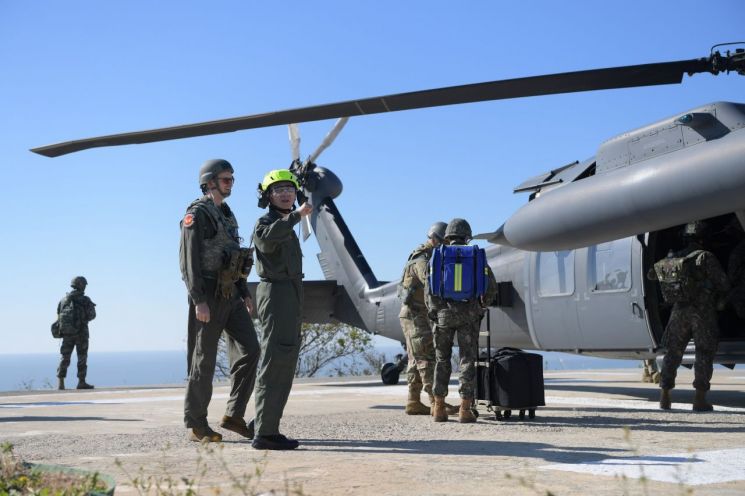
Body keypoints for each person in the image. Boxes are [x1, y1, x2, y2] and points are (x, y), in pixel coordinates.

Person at [180, 158, 260, 442]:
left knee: (251, 349)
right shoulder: (197, 213)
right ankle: (196, 424)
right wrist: (198, 298)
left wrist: (245, 292)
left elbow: (234, 256)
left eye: (232, 179)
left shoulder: (227, 214)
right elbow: (188, 261)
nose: (231, 184)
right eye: (226, 179)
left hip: (231, 295)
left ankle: (234, 415)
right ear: (210, 182)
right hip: (208, 296)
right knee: (204, 361)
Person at [251, 169, 312, 450]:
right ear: (268, 196)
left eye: (290, 188)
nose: (286, 193)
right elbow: (266, 240)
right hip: (276, 293)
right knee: (275, 361)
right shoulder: (267, 223)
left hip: (290, 293)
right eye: (278, 190)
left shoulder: (285, 222)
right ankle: (265, 432)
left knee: (284, 361)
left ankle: (264, 422)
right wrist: (297, 216)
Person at [649, 221, 730, 411]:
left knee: (673, 352)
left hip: (678, 312)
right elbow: (724, 284)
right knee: (703, 353)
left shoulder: (675, 257)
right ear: (704, 238)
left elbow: (652, 274)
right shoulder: (706, 257)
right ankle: (699, 399)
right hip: (702, 313)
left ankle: (665, 395)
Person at [425, 218, 497, 423]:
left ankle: (438, 408)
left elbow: (428, 289)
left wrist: (434, 312)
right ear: (467, 236)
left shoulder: (438, 255)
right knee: (467, 360)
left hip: (443, 316)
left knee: (442, 360)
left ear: (447, 237)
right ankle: (465, 409)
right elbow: (491, 286)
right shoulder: (475, 255)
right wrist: (481, 307)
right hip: (469, 315)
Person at [398, 222, 459, 416]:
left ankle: (413, 401)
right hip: (415, 315)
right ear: (435, 239)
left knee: (416, 360)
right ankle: (436, 402)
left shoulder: (431, 256)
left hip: (417, 314)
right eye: (445, 242)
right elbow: (431, 282)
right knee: (426, 357)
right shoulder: (422, 259)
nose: (447, 246)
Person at [56, 276, 96, 390]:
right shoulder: (85, 299)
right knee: (82, 357)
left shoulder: (63, 300)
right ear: (81, 285)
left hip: (67, 334)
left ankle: (61, 382)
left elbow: (58, 314)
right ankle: (81, 382)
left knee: (65, 357)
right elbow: (92, 315)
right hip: (81, 333)